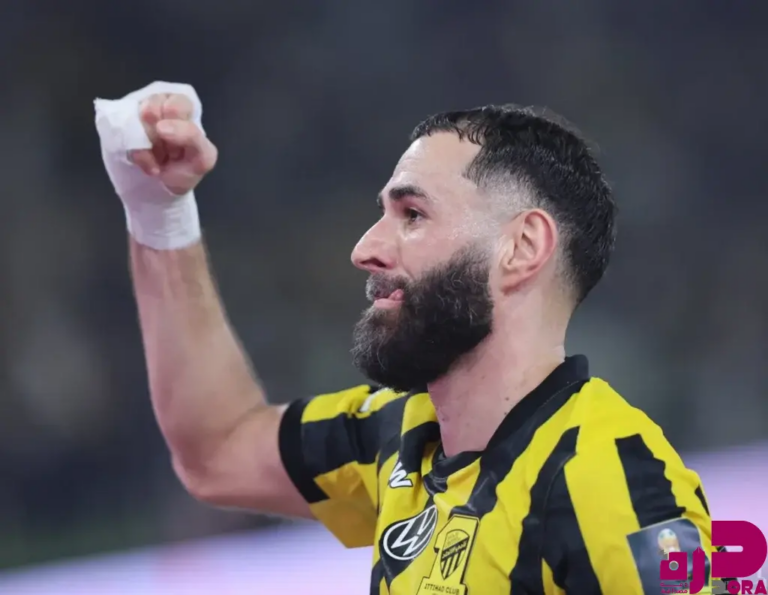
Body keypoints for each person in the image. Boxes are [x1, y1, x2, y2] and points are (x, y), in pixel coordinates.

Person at [95, 83, 713, 594]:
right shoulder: (404, 433)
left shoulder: (608, 476)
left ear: (523, 247)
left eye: (412, 215)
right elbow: (218, 450)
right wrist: (159, 210)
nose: (364, 248)